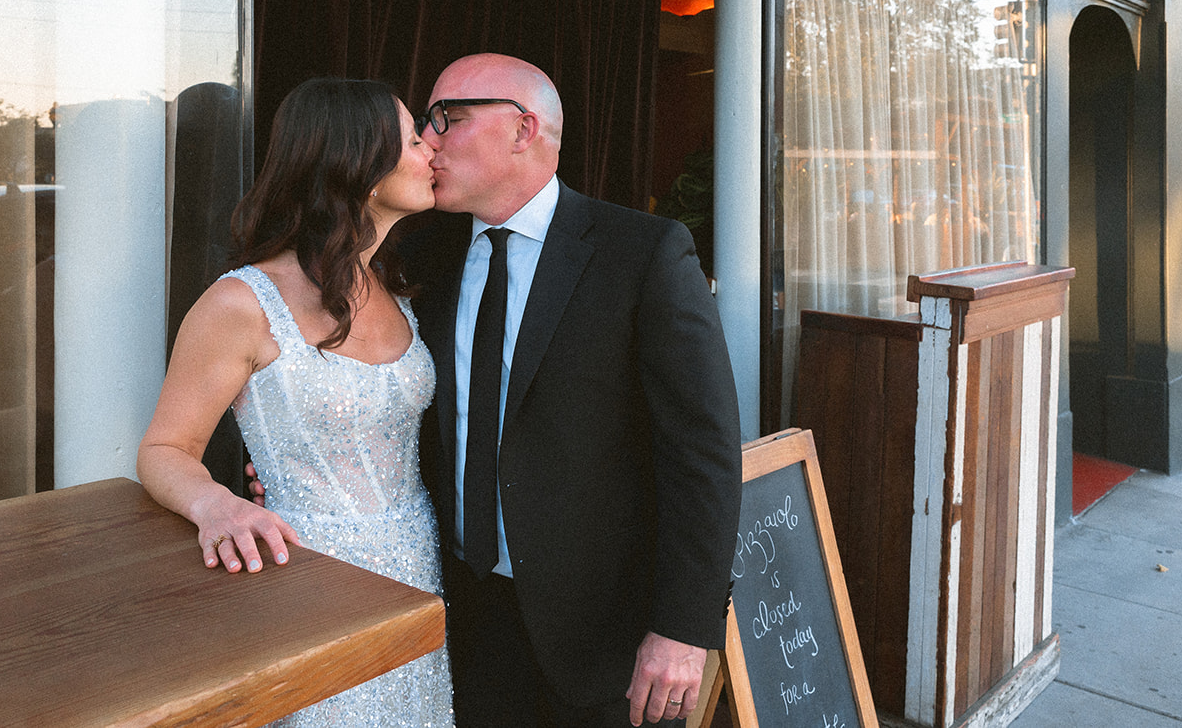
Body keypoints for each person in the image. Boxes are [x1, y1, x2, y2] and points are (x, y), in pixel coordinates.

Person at [406, 53, 742, 728]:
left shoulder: (642, 252)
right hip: (464, 623)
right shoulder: (425, 256)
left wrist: (685, 626)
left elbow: (701, 451)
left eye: (447, 117)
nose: (428, 139)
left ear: (524, 129)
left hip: (605, 640)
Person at [137, 77, 454, 728]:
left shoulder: (395, 287)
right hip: (307, 575)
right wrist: (217, 505)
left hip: (416, 569)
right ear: (360, 162)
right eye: (416, 139)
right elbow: (165, 448)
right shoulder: (241, 304)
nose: (433, 152)